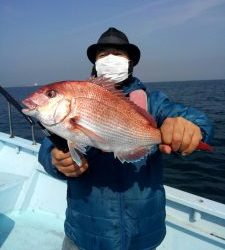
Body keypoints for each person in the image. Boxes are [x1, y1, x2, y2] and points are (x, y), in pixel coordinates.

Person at [38, 27, 213, 250]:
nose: (110, 58)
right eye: (103, 54)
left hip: (143, 235)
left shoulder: (153, 101)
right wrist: (54, 159)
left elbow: (197, 119)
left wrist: (191, 127)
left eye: (119, 54)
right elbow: (47, 146)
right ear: (95, 63)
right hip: (85, 233)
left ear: (130, 62)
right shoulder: (78, 98)